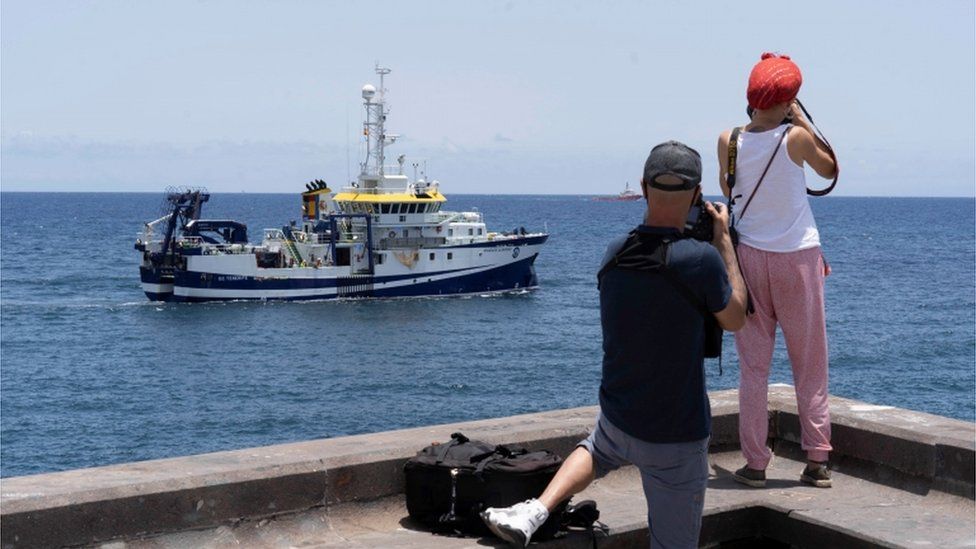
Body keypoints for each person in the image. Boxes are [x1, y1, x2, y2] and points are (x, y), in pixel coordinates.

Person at [481, 141, 748, 548]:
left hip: (620, 419)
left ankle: (536, 509)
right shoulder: (701, 260)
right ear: (696, 195)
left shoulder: (615, 252)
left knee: (597, 448)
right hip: (675, 437)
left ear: (642, 188)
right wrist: (724, 242)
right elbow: (736, 319)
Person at [716, 53, 838, 489]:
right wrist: (801, 118)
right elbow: (829, 168)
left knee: (753, 368)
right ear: (789, 99)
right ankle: (817, 458)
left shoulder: (728, 139)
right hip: (797, 259)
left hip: (749, 260)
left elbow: (730, 190)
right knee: (810, 365)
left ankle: (755, 464)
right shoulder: (795, 138)